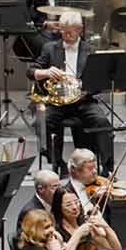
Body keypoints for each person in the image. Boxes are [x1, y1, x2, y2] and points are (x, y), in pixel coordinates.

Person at [30, 9, 114, 171]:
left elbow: (99, 82)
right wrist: (45, 72)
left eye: (70, 32)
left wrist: (85, 91)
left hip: (83, 102)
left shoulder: (90, 50)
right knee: (41, 122)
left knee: (103, 123)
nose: (66, 36)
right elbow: (31, 71)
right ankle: (56, 162)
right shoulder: (50, 48)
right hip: (57, 103)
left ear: (80, 30)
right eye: (63, 31)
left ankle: (107, 168)